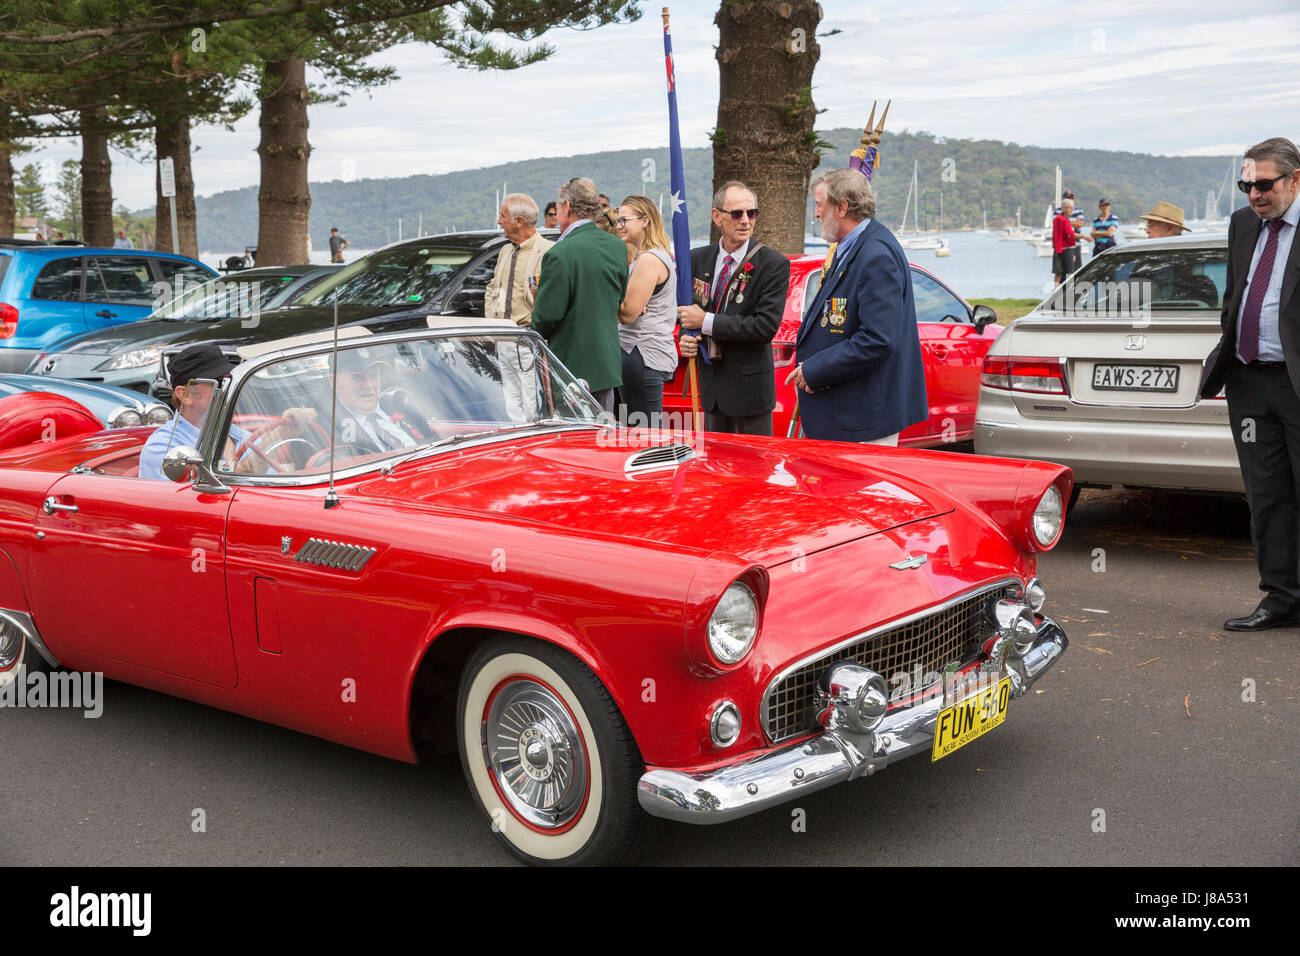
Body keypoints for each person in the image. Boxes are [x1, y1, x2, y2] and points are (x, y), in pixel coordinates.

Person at [1199, 137, 1300, 631]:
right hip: (1249, 383)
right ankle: (1280, 600)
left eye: (1264, 184)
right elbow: (1236, 294)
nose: (1254, 195)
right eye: (1247, 185)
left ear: (1295, 180)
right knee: (1267, 496)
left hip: (1296, 385)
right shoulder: (1243, 224)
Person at [786, 167, 926, 445]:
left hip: (863, 419)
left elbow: (877, 339)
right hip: (846, 413)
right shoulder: (852, 246)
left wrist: (815, 369)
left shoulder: (876, 254)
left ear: (841, 207)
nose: (816, 214)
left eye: (819, 204)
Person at [676, 180, 791, 435]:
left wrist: (705, 321)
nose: (746, 221)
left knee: (754, 470)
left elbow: (763, 327)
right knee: (713, 470)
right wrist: (688, 339)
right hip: (711, 391)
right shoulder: (696, 259)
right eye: (737, 213)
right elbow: (685, 316)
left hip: (749, 395)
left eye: (752, 213)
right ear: (717, 217)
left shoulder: (773, 264)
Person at [139, 345, 314, 479]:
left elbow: (264, 486)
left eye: (230, 381)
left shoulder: (243, 437)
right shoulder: (164, 449)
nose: (229, 389)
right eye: (218, 383)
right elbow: (206, 501)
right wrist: (278, 435)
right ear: (185, 395)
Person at [530, 177, 627, 414]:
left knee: (571, 441)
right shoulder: (617, 246)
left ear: (567, 207)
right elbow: (618, 297)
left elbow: (547, 316)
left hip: (569, 367)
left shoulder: (560, 253)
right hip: (607, 364)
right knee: (601, 436)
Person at [615, 195, 678, 428]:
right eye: (618, 220)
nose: (619, 226)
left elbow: (628, 314)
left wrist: (610, 297)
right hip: (641, 353)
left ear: (645, 221)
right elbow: (631, 308)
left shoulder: (650, 259)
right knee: (639, 432)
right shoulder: (648, 257)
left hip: (641, 353)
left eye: (624, 220)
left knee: (644, 436)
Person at [331, 348, 421, 453]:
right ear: (334, 382)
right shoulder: (329, 428)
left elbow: (431, 440)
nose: (369, 385)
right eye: (358, 378)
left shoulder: (400, 404)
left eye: (373, 376)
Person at [486, 194, 553, 326]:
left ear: (519, 221)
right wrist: (492, 322)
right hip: (500, 337)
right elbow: (493, 288)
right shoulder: (505, 251)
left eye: (503, 216)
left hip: (529, 339)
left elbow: (552, 301)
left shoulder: (549, 252)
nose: (499, 222)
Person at [1052, 198, 1079, 285]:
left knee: (1068, 275)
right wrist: (1085, 236)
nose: (1072, 210)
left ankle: (1067, 295)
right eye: (1070, 208)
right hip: (1062, 250)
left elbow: (1070, 238)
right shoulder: (1059, 219)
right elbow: (1060, 236)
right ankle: (1057, 294)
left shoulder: (1066, 220)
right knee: (1060, 273)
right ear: (1064, 208)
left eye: (1072, 208)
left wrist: (1073, 253)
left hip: (1068, 250)